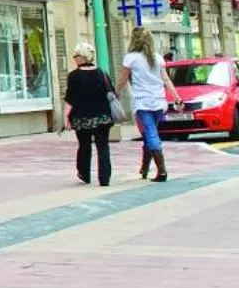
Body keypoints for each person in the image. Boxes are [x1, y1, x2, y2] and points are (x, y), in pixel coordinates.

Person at [123, 26, 169, 182]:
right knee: (149, 133)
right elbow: (166, 79)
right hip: (159, 102)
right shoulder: (158, 58)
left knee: (150, 133)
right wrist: (177, 97)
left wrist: (114, 93)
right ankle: (145, 167)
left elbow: (123, 79)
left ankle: (161, 171)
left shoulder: (131, 58)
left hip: (142, 102)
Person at [65, 45, 113, 186]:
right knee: (103, 146)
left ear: (82, 57)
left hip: (82, 117)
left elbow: (70, 98)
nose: (74, 59)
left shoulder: (74, 76)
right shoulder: (102, 73)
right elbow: (110, 92)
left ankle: (84, 173)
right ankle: (104, 178)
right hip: (102, 116)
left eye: (76, 56)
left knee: (84, 145)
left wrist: (65, 117)